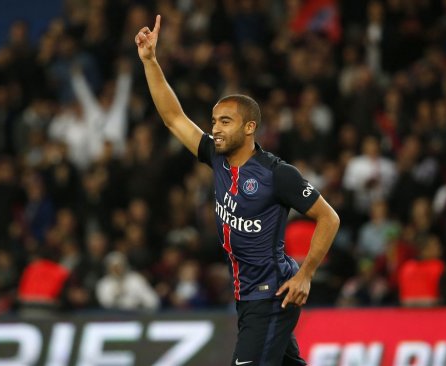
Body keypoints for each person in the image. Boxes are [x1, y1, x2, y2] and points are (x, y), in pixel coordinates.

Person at [135, 15, 340, 366]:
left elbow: (328, 217)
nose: (215, 129)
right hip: (247, 296)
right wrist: (151, 61)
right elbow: (173, 117)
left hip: (272, 295)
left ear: (249, 128)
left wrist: (306, 274)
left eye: (225, 122)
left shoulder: (277, 174)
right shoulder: (217, 158)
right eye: (214, 121)